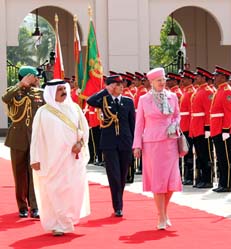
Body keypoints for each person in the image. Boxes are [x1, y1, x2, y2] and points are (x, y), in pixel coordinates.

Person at [30, 79, 90, 236]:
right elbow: (36, 137)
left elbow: (84, 130)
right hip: (51, 160)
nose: (64, 92)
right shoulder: (43, 112)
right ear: (51, 92)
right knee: (55, 190)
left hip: (72, 159)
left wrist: (81, 143)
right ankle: (57, 224)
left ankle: (67, 220)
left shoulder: (75, 108)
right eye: (59, 89)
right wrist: (34, 159)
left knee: (72, 189)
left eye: (65, 89)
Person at [132, 67, 182, 230]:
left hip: (170, 142)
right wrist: (137, 145)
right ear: (151, 82)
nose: (162, 83)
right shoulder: (144, 99)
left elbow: (176, 115)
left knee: (171, 180)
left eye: (163, 80)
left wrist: (174, 124)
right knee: (158, 180)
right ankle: (161, 215)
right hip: (153, 143)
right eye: (158, 80)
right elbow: (139, 124)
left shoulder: (172, 97)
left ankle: (164, 212)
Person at [87, 75, 135, 217]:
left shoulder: (128, 102)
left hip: (125, 142)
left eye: (121, 85)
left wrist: (135, 143)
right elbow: (90, 101)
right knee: (113, 174)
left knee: (122, 174)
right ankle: (118, 205)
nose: (121, 87)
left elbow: (133, 124)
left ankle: (119, 200)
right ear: (111, 87)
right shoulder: (103, 100)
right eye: (118, 85)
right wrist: (105, 91)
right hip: (109, 143)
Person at [2, 66, 44, 218]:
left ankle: (34, 206)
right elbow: (5, 98)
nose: (37, 79)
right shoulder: (14, 91)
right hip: (17, 138)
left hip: (34, 138)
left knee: (34, 173)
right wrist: (20, 85)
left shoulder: (40, 93)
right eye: (34, 76)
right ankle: (22, 206)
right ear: (27, 77)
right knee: (19, 174)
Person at [210, 66, 231, 193]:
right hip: (216, 128)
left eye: (217, 76)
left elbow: (229, 112)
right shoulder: (219, 90)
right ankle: (222, 182)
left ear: (223, 77)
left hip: (222, 129)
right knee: (220, 158)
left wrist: (226, 129)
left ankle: (227, 184)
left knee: (225, 158)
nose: (214, 78)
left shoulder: (227, 91)